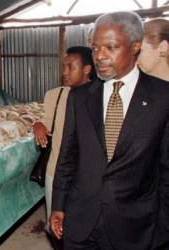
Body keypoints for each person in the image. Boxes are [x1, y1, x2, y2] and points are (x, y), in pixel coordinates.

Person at [50, 11, 169, 250]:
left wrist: (163, 229)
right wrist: (58, 206)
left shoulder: (162, 97)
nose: (99, 56)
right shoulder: (80, 97)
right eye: (95, 48)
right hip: (81, 222)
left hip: (136, 228)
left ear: (135, 47)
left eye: (110, 47)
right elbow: (68, 155)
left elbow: (166, 169)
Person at [33, 46, 96, 249]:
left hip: (88, 176)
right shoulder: (55, 95)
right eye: (64, 67)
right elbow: (46, 121)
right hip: (57, 172)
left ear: (87, 69)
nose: (65, 72)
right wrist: (37, 124)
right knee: (57, 226)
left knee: (85, 228)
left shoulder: (100, 96)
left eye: (71, 67)